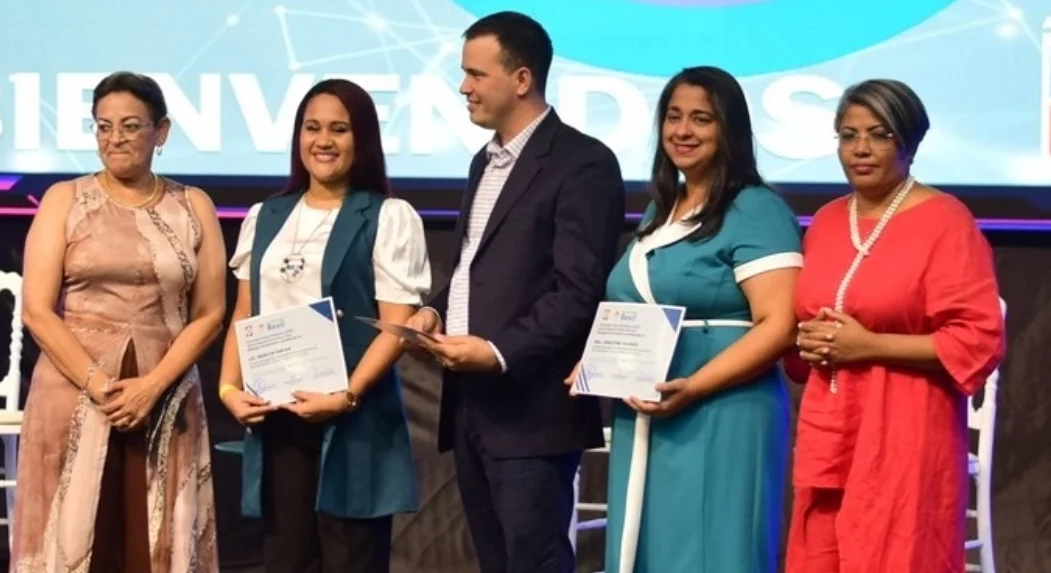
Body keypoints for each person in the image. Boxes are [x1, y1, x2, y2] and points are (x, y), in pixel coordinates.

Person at [401, 11, 626, 573]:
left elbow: (577, 294)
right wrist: (433, 310)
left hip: (532, 412)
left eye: (476, 74)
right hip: (472, 408)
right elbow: (473, 266)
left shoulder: (583, 163)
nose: (463, 87)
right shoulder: (485, 161)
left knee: (536, 561)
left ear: (521, 80)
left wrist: (497, 351)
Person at [572, 66, 802, 573]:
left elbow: (779, 323)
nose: (683, 130)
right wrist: (598, 361)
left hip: (723, 408)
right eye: (673, 117)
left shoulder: (757, 209)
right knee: (649, 547)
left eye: (702, 119)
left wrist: (695, 386)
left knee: (712, 548)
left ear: (730, 131)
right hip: (651, 408)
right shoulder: (663, 207)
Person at [784, 79, 1005, 573]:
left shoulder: (946, 220)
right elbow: (809, 318)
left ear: (908, 142)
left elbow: (978, 338)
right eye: (848, 134)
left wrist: (868, 346)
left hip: (906, 427)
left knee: (896, 553)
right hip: (830, 425)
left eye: (879, 135)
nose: (860, 149)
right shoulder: (824, 219)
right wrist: (808, 339)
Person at [10, 71, 224, 572]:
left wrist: (152, 387)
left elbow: (210, 313)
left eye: (130, 126)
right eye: (103, 126)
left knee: (154, 541)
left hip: (165, 394)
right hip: (73, 391)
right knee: (76, 534)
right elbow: (38, 310)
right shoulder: (65, 199)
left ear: (161, 131)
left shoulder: (193, 206)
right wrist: (101, 385)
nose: (115, 138)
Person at [218, 78, 431, 573]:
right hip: (279, 419)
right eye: (312, 128)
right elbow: (243, 313)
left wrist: (348, 393)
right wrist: (228, 387)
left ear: (364, 140)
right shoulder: (265, 216)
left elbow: (395, 325)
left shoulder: (389, 217)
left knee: (350, 559)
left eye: (339, 128)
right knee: (286, 559)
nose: (323, 140)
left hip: (352, 421)